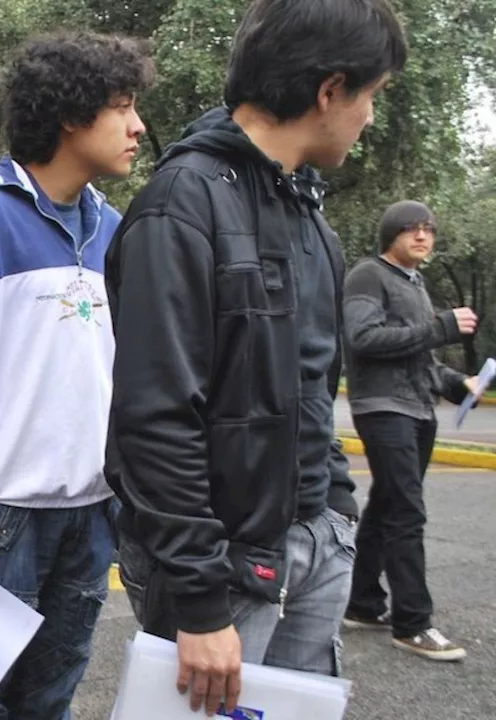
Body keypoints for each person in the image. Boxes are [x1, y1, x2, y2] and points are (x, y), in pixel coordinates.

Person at [105, 0, 408, 713]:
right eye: (370, 96)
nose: (369, 118)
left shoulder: (311, 219)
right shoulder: (181, 204)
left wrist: (336, 509)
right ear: (330, 90)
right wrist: (202, 603)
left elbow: (308, 383)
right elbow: (155, 417)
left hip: (315, 542)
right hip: (226, 568)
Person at [0, 31, 153, 716]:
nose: (137, 127)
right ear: (72, 115)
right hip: (1, 516)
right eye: (123, 106)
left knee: (52, 696)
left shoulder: (114, 229)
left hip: (89, 513)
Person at [342, 201, 475, 661]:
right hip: (383, 408)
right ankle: (412, 623)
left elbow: (420, 358)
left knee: (385, 507)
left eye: (428, 230)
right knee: (406, 513)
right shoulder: (368, 275)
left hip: (417, 410)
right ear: (390, 234)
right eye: (410, 229)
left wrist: (461, 385)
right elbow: (363, 338)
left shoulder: (414, 284)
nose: (421, 236)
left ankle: (362, 604)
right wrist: (441, 326)